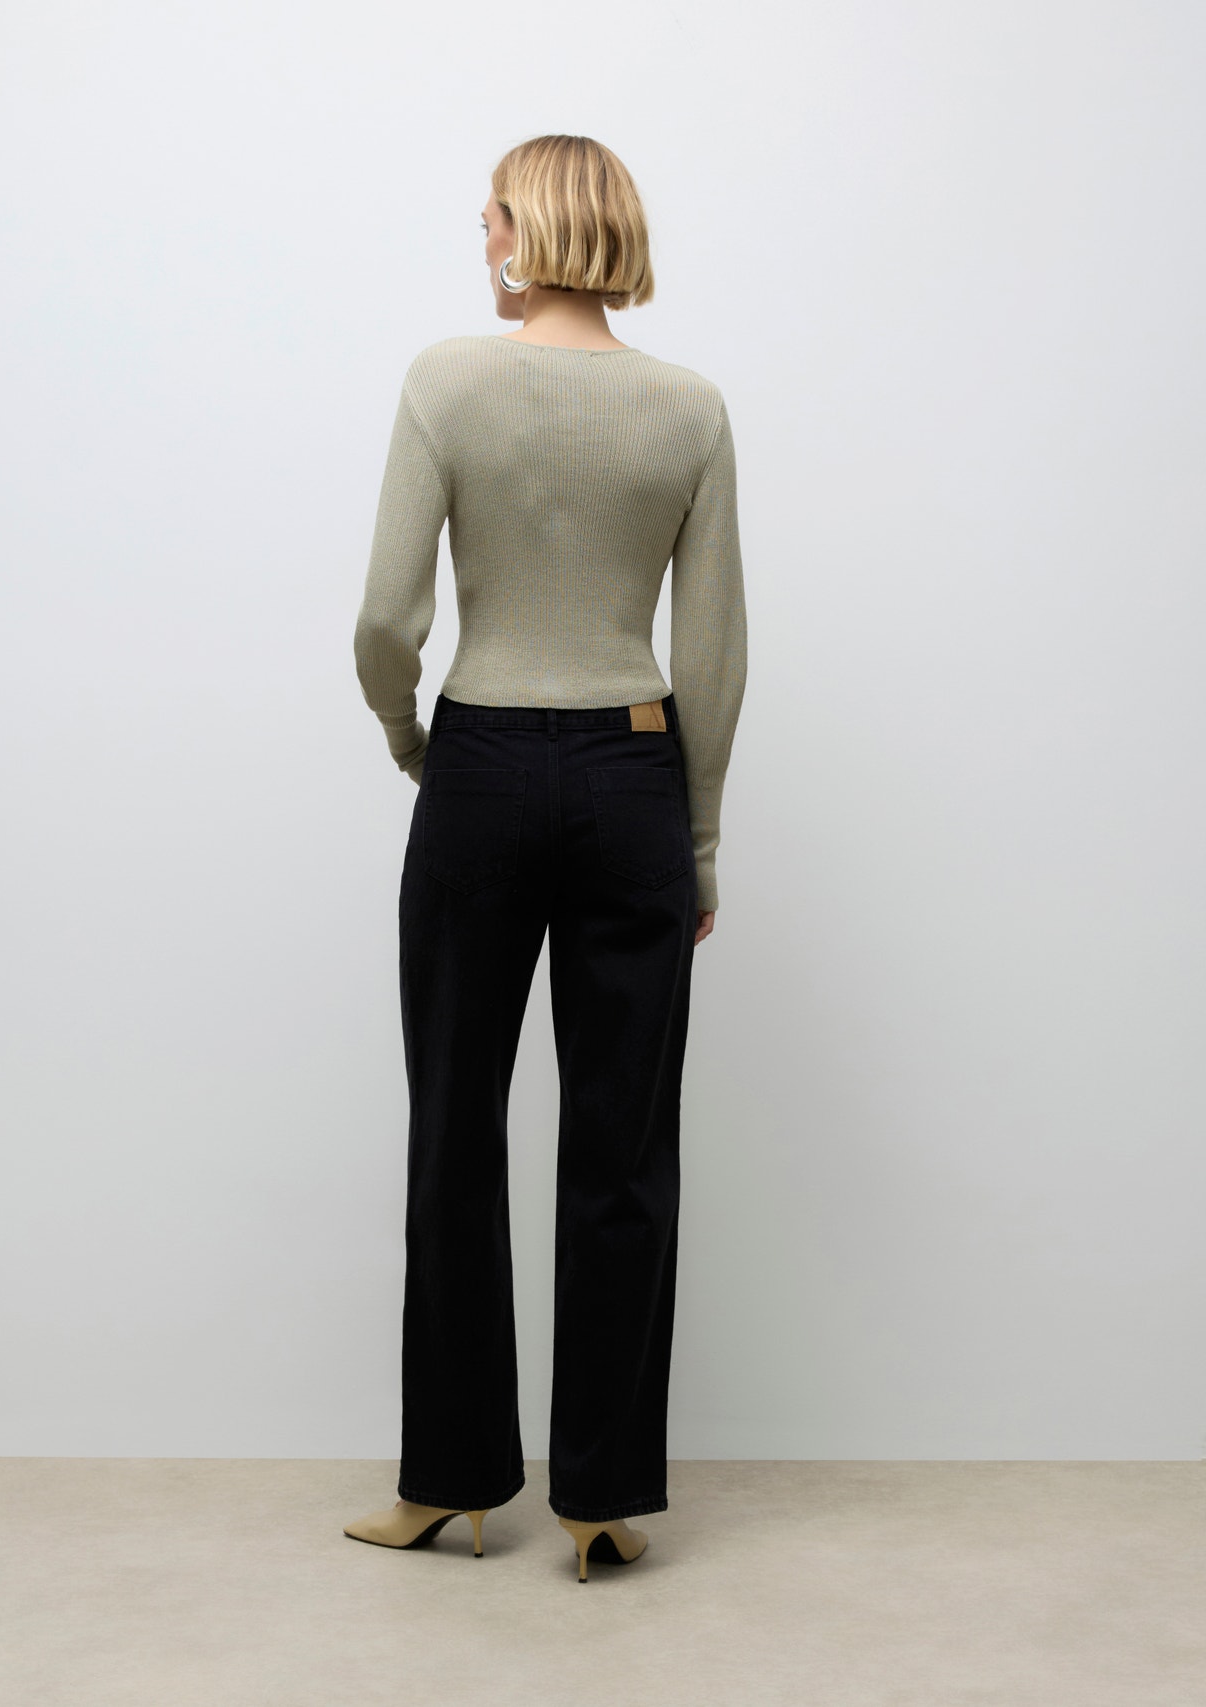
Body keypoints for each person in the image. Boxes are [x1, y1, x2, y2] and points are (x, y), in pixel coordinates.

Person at [342, 133, 747, 1583]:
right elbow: (714, 648)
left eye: (492, 220)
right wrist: (698, 838)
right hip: (635, 772)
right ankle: (601, 1501)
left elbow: (386, 618)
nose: (484, 243)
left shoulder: (447, 382)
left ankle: (448, 1481)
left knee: (454, 1123)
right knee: (623, 1147)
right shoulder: (688, 408)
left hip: (483, 767)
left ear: (529, 231)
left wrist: (412, 740)